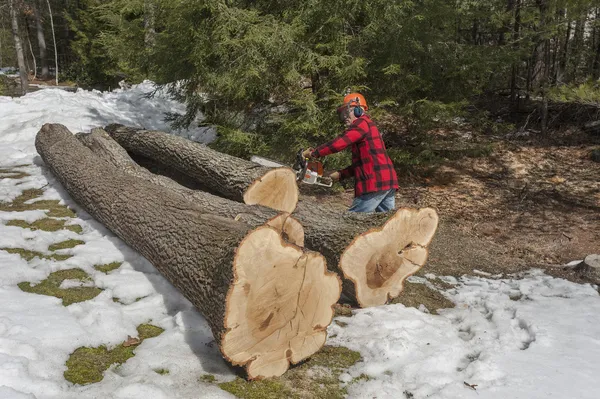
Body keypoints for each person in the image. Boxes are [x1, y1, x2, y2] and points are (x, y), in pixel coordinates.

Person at [303, 93, 398, 213]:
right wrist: (341, 174)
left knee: (352, 222)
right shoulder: (368, 127)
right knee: (386, 224)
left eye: (346, 113)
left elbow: (338, 144)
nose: (344, 118)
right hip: (386, 181)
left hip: (374, 183)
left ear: (357, 110)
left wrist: (313, 153)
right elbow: (364, 163)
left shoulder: (362, 123)